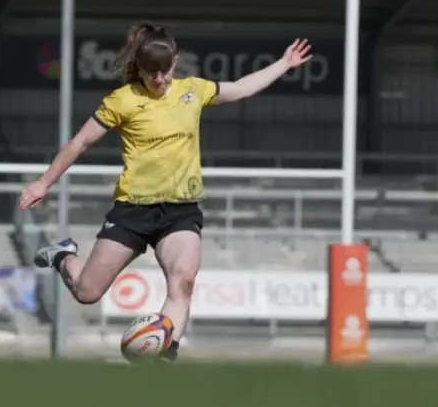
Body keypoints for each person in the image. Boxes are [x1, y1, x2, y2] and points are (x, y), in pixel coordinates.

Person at [18, 22, 313, 362]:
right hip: (133, 211)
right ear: (139, 68)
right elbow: (79, 142)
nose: (159, 80)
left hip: (180, 211)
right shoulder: (122, 100)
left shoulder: (194, 90)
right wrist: (43, 183)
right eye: (151, 73)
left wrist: (284, 63)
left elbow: (242, 88)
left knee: (183, 281)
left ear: (175, 63)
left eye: (165, 71)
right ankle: (62, 255)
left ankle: (163, 357)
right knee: (87, 292)